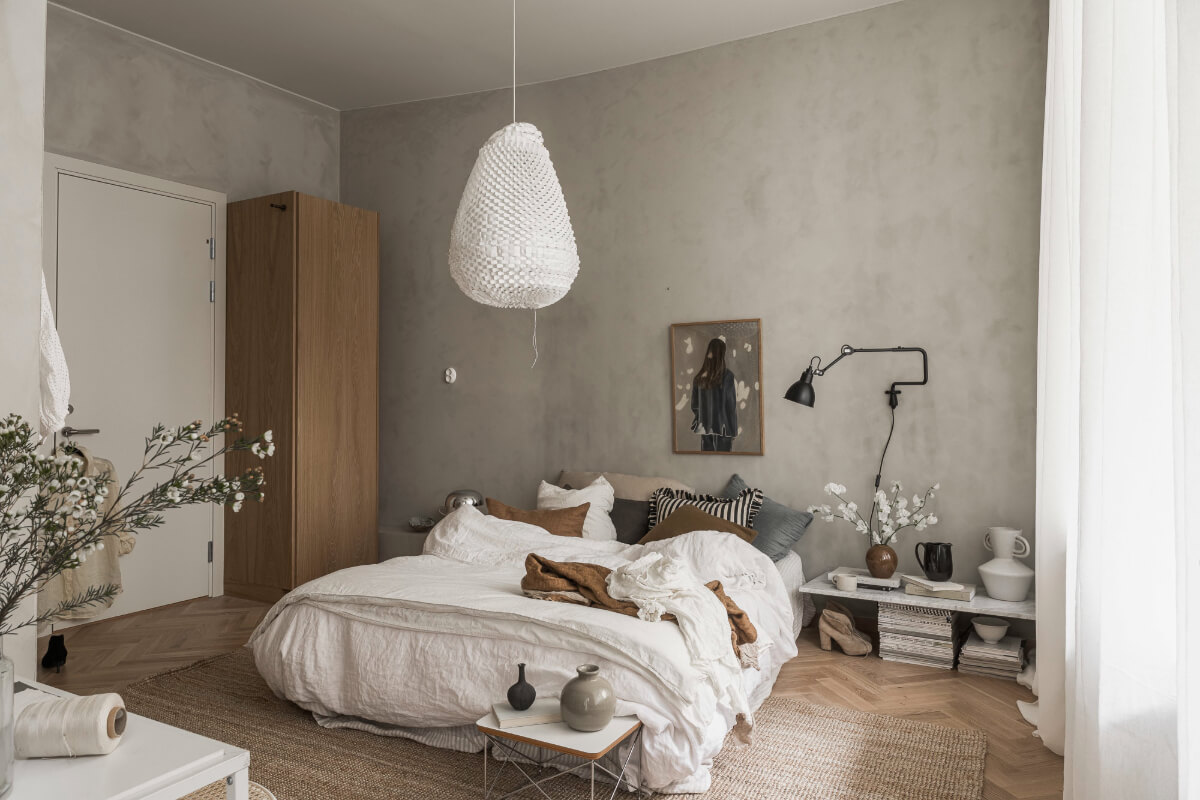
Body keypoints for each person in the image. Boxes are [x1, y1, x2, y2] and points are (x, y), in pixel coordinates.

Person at [690, 338, 737, 452]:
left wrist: (702, 418)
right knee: (725, 462)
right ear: (722, 354)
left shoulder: (699, 377)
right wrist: (733, 430)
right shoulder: (727, 376)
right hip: (724, 427)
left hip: (704, 427)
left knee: (706, 462)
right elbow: (730, 406)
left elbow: (694, 405)